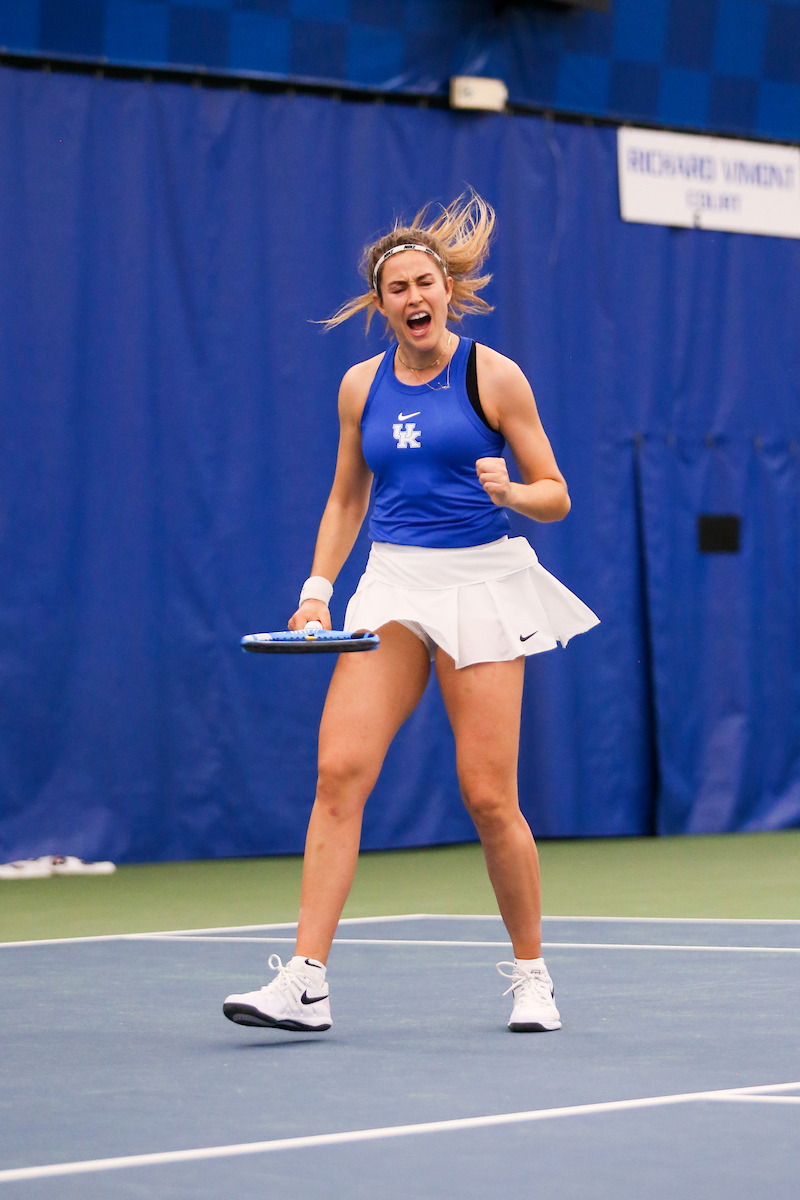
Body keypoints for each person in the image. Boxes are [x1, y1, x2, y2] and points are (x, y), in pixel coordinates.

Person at [223, 193, 598, 1035]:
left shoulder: (493, 376)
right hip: (392, 584)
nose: (413, 296)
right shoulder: (360, 385)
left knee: (488, 795)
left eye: (425, 281)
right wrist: (318, 589)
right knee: (338, 774)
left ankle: (532, 975)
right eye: (397, 288)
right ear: (381, 303)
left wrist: (516, 491)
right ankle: (306, 982)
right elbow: (347, 496)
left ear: (447, 290)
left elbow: (558, 495)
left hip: (482, 585)